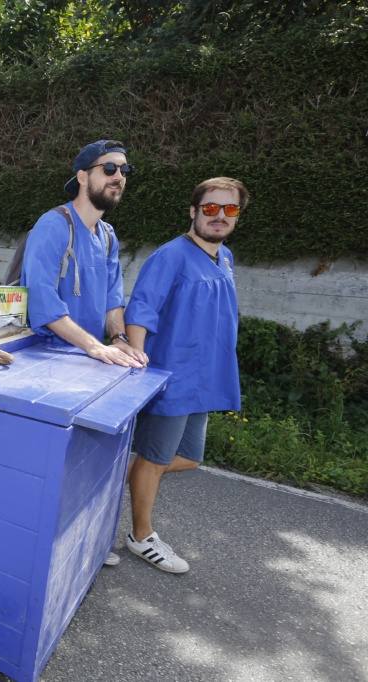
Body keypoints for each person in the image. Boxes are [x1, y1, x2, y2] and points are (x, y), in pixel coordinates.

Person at [21, 139, 148, 567]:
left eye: (125, 171)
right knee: (53, 468)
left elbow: (114, 302)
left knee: (91, 460)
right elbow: (42, 301)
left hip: (89, 361)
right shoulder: (54, 225)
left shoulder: (108, 236)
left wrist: (118, 339)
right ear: (82, 176)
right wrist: (95, 346)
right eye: (109, 169)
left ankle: (87, 544)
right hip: (48, 358)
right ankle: (46, 555)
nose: (118, 178)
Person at [123, 177, 247, 574]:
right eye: (211, 208)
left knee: (189, 458)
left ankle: (111, 478)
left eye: (230, 209)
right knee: (156, 457)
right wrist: (138, 362)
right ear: (194, 212)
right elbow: (141, 309)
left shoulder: (224, 257)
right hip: (172, 378)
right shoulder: (171, 256)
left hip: (205, 378)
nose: (220, 216)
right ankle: (141, 536)